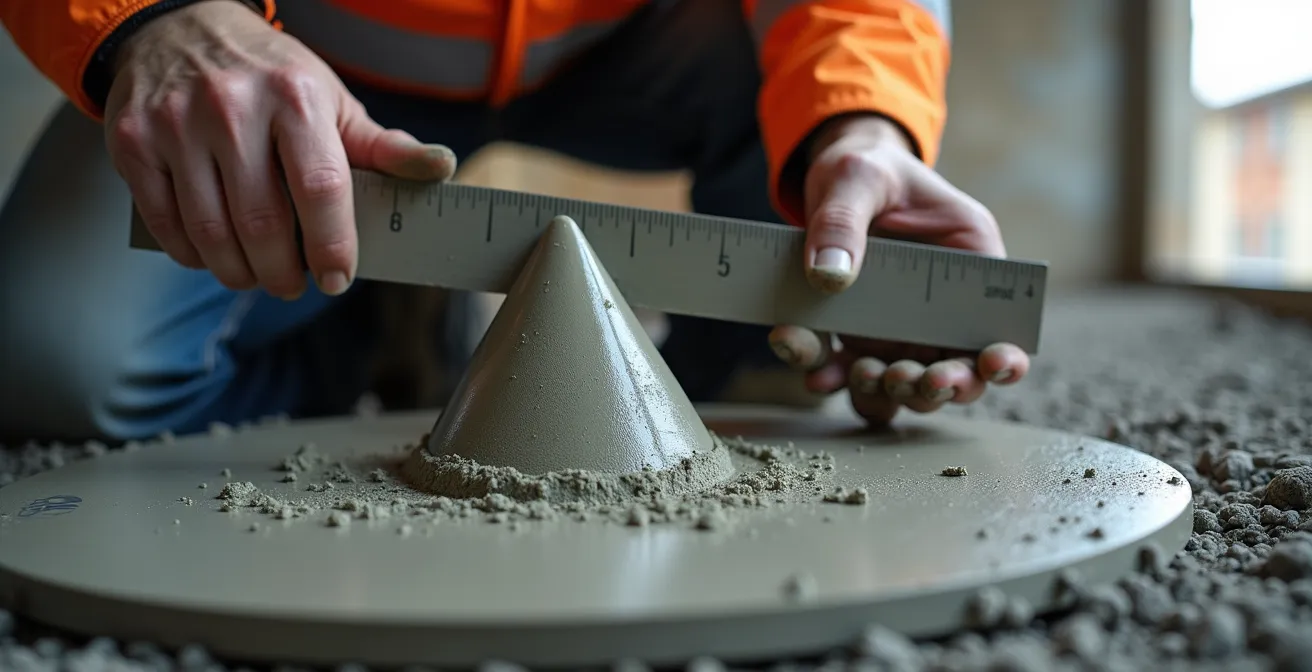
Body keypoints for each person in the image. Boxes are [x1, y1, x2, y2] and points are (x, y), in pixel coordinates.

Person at [0, 0, 1029, 443]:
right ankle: (359, 328)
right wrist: (160, 19)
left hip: (648, 38)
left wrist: (858, 123)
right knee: (56, 361)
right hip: (283, 49)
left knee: (785, 411)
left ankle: (754, 355)